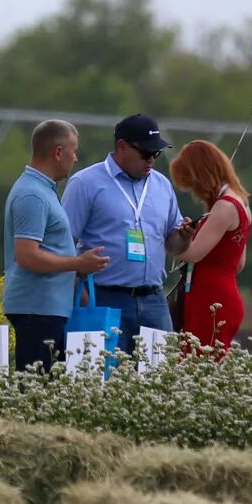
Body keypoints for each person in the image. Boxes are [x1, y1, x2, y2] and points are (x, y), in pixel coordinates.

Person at [61, 113, 191, 353]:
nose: (151, 160)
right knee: (104, 378)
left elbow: (173, 247)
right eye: (145, 153)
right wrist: (81, 295)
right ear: (122, 147)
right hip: (104, 297)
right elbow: (63, 243)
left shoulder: (161, 185)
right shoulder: (86, 183)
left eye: (156, 153)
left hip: (153, 300)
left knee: (157, 381)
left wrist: (184, 237)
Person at [2, 119, 110, 373]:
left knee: (47, 388)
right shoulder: (33, 195)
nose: (75, 158)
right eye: (73, 151)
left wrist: (79, 269)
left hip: (47, 307)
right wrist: (78, 263)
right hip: (37, 309)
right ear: (58, 152)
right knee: (36, 391)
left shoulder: (43, 190)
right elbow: (27, 256)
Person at [169, 139, 252, 353]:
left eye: (191, 184)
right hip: (225, 293)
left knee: (195, 363)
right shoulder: (242, 204)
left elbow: (193, 254)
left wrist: (176, 238)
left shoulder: (223, 207)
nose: (194, 192)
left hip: (209, 297)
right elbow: (239, 263)